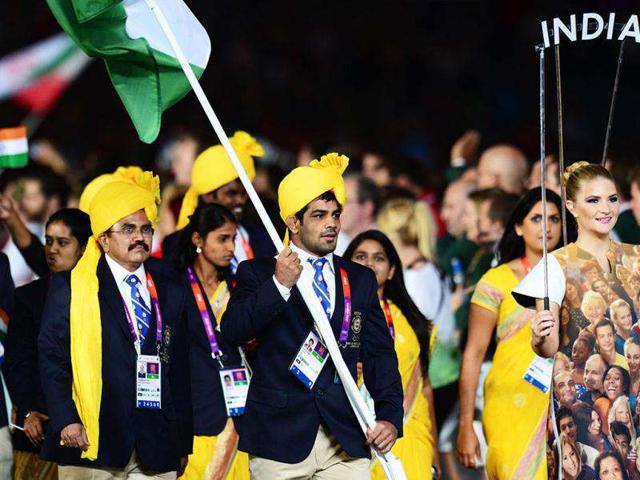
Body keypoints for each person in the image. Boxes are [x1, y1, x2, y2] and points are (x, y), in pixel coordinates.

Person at [221, 153, 403, 479]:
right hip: (278, 439)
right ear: (293, 222)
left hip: (345, 438)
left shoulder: (359, 278)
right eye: (319, 216)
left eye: (335, 214)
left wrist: (389, 416)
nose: (332, 223)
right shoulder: (258, 272)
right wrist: (278, 285)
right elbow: (232, 330)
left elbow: (379, 354)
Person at [38, 171, 193, 478]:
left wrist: (182, 442)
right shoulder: (72, 287)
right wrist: (66, 419)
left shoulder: (169, 283)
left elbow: (179, 368)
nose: (139, 237)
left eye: (145, 229)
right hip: (91, 439)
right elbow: (52, 358)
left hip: (156, 442)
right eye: (128, 229)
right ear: (104, 239)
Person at [516, 161, 640, 477]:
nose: (605, 208)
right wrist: (539, 336)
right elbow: (549, 347)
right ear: (571, 205)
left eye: (612, 199)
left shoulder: (637, 256)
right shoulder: (556, 264)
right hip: (584, 412)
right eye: (593, 200)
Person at [456, 188, 564, 478]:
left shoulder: (573, 275)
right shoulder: (496, 281)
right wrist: (465, 424)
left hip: (560, 401)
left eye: (554, 219)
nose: (547, 227)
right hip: (509, 400)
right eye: (537, 218)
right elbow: (473, 354)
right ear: (518, 226)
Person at [344, 229, 439, 479]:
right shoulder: (335, 316)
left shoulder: (414, 323)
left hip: (409, 434)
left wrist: (434, 455)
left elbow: (424, 388)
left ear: (392, 270)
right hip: (354, 434)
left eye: (378, 258)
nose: (369, 264)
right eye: (361, 257)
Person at [4, 208, 91, 480]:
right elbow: (19, 361)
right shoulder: (29, 297)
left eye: (63, 242)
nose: (52, 249)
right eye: (49, 241)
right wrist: (28, 409)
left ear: (84, 247)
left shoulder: (104, 296)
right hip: (40, 425)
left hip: (93, 425)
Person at [377, 197, 459, 475]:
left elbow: (413, 339)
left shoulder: (415, 277)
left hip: (433, 375)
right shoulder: (427, 269)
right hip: (443, 370)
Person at [174, 203, 250, 480]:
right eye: (222, 238)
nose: (230, 247)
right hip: (197, 408)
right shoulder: (175, 288)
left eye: (233, 239)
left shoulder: (238, 287)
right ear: (198, 239)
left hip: (239, 407)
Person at [162, 131, 272, 268]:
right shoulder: (177, 245)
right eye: (231, 193)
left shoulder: (263, 236)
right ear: (208, 196)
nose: (240, 201)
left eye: (244, 193)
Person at [436, 180, 478, 281]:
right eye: (444, 206)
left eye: (451, 207)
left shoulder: (476, 249)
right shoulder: (445, 242)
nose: (443, 215)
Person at [335, 174, 380, 255]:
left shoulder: (386, 245)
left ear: (367, 208)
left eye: (345, 202)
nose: (336, 208)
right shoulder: (334, 242)